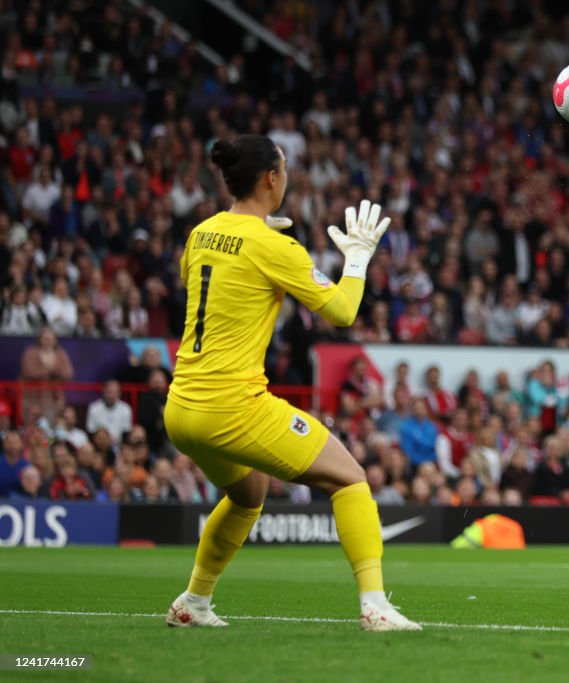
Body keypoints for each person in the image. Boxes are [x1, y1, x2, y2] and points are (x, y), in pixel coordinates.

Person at [163, 134, 419, 631]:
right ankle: (375, 607)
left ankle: (193, 602)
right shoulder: (274, 246)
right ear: (271, 178)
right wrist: (359, 258)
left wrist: (254, 239)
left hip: (181, 409)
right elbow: (343, 312)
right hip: (232, 407)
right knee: (349, 479)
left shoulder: (200, 233)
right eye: (285, 169)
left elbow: (200, 277)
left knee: (248, 495)